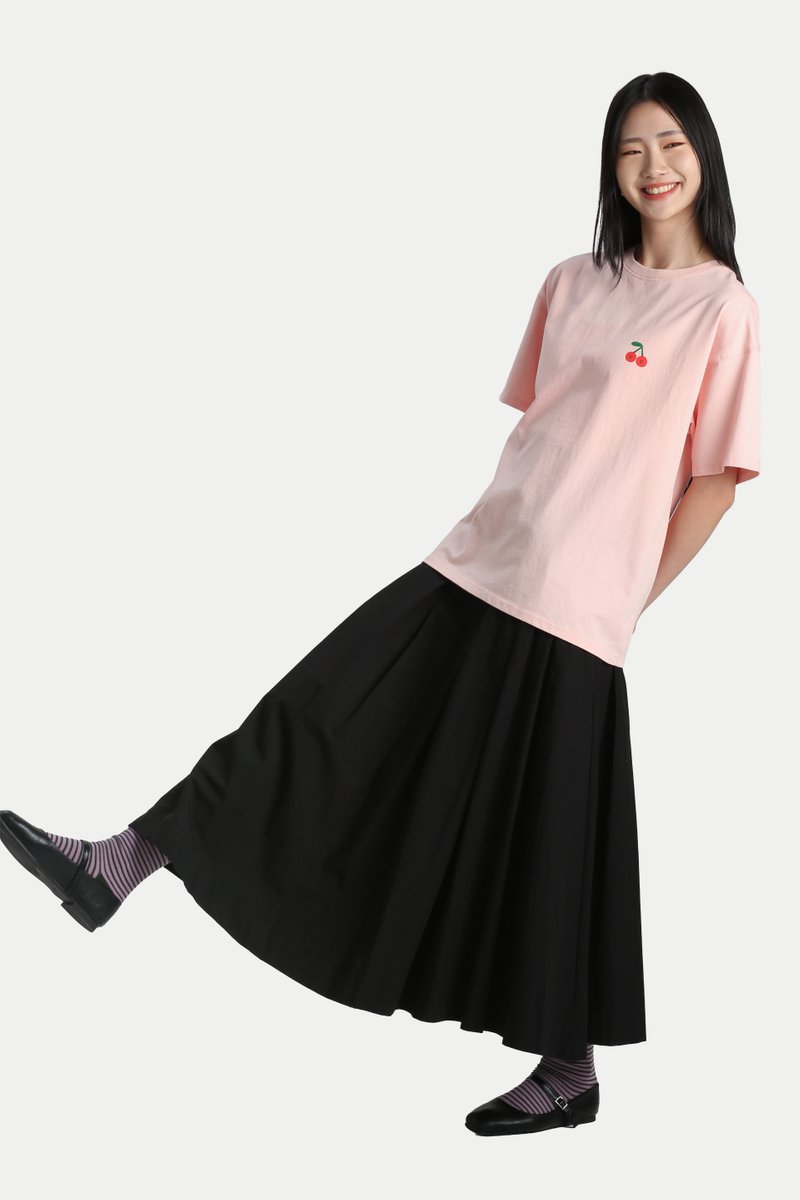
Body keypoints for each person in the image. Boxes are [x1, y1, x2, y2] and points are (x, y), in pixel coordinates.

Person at [0, 71, 761, 1138]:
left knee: (542, 839)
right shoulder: (571, 281)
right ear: (610, 166)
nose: (653, 167)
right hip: (475, 563)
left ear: (704, 155)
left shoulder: (723, 309)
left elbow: (714, 482)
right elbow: (541, 430)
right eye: (631, 148)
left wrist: (627, 598)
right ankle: (118, 864)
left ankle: (569, 1071)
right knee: (315, 717)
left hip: (579, 609)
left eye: (671, 144)